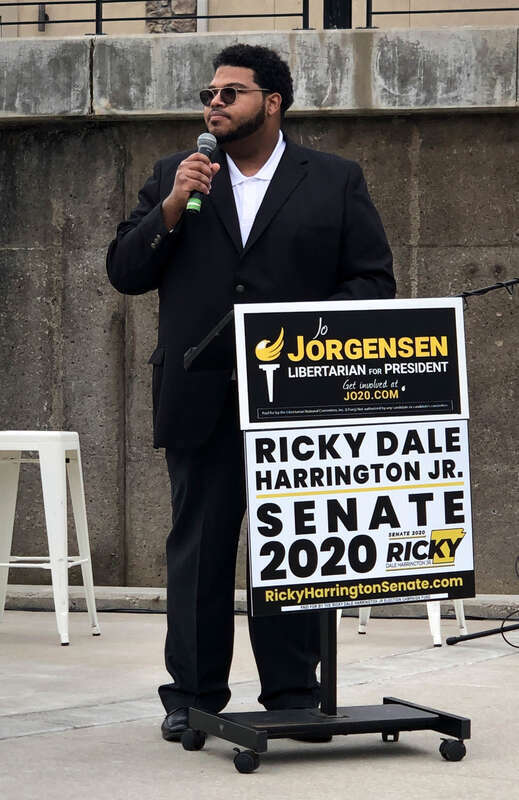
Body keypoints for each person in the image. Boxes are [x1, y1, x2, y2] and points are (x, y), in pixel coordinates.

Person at [106, 43, 395, 743]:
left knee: (291, 547)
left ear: (271, 102)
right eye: (209, 93)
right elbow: (123, 270)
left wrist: (299, 333)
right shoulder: (176, 176)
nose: (213, 104)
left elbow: (371, 283)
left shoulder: (332, 180)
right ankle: (192, 695)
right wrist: (172, 208)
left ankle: (294, 692)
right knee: (198, 552)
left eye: (229, 93)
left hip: (294, 404)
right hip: (200, 395)